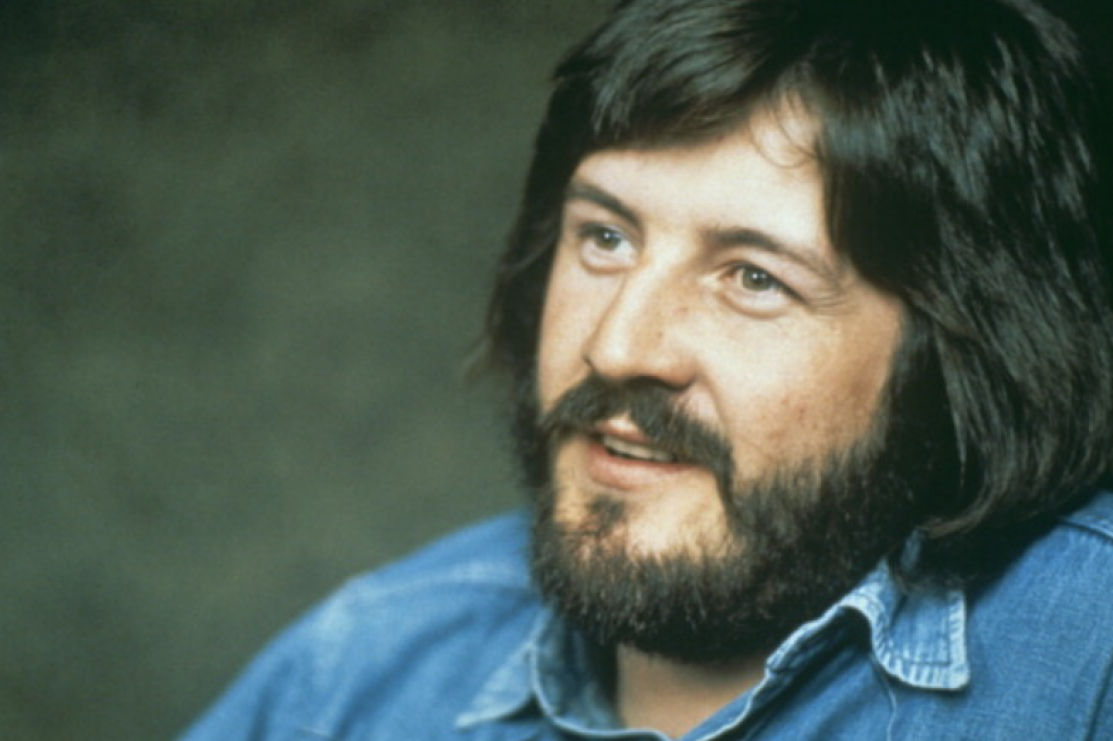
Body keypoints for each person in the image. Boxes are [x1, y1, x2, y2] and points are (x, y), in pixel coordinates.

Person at [179, 0, 1113, 738]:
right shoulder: (359, 675)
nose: (618, 346)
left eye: (754, 278)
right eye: (605, 237)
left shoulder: (1090, 654)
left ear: (962, 355)